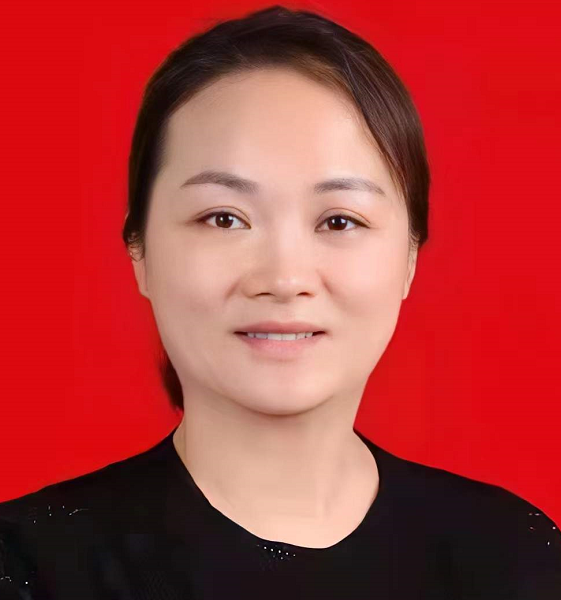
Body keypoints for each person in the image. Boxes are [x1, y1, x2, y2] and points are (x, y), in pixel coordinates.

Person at [1, 4, 560, 599]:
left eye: (340, 221)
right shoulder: (31, 566)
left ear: (410, 259)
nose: (285, 278)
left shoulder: (512, 557)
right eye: (224, 218)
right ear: (139, 250)